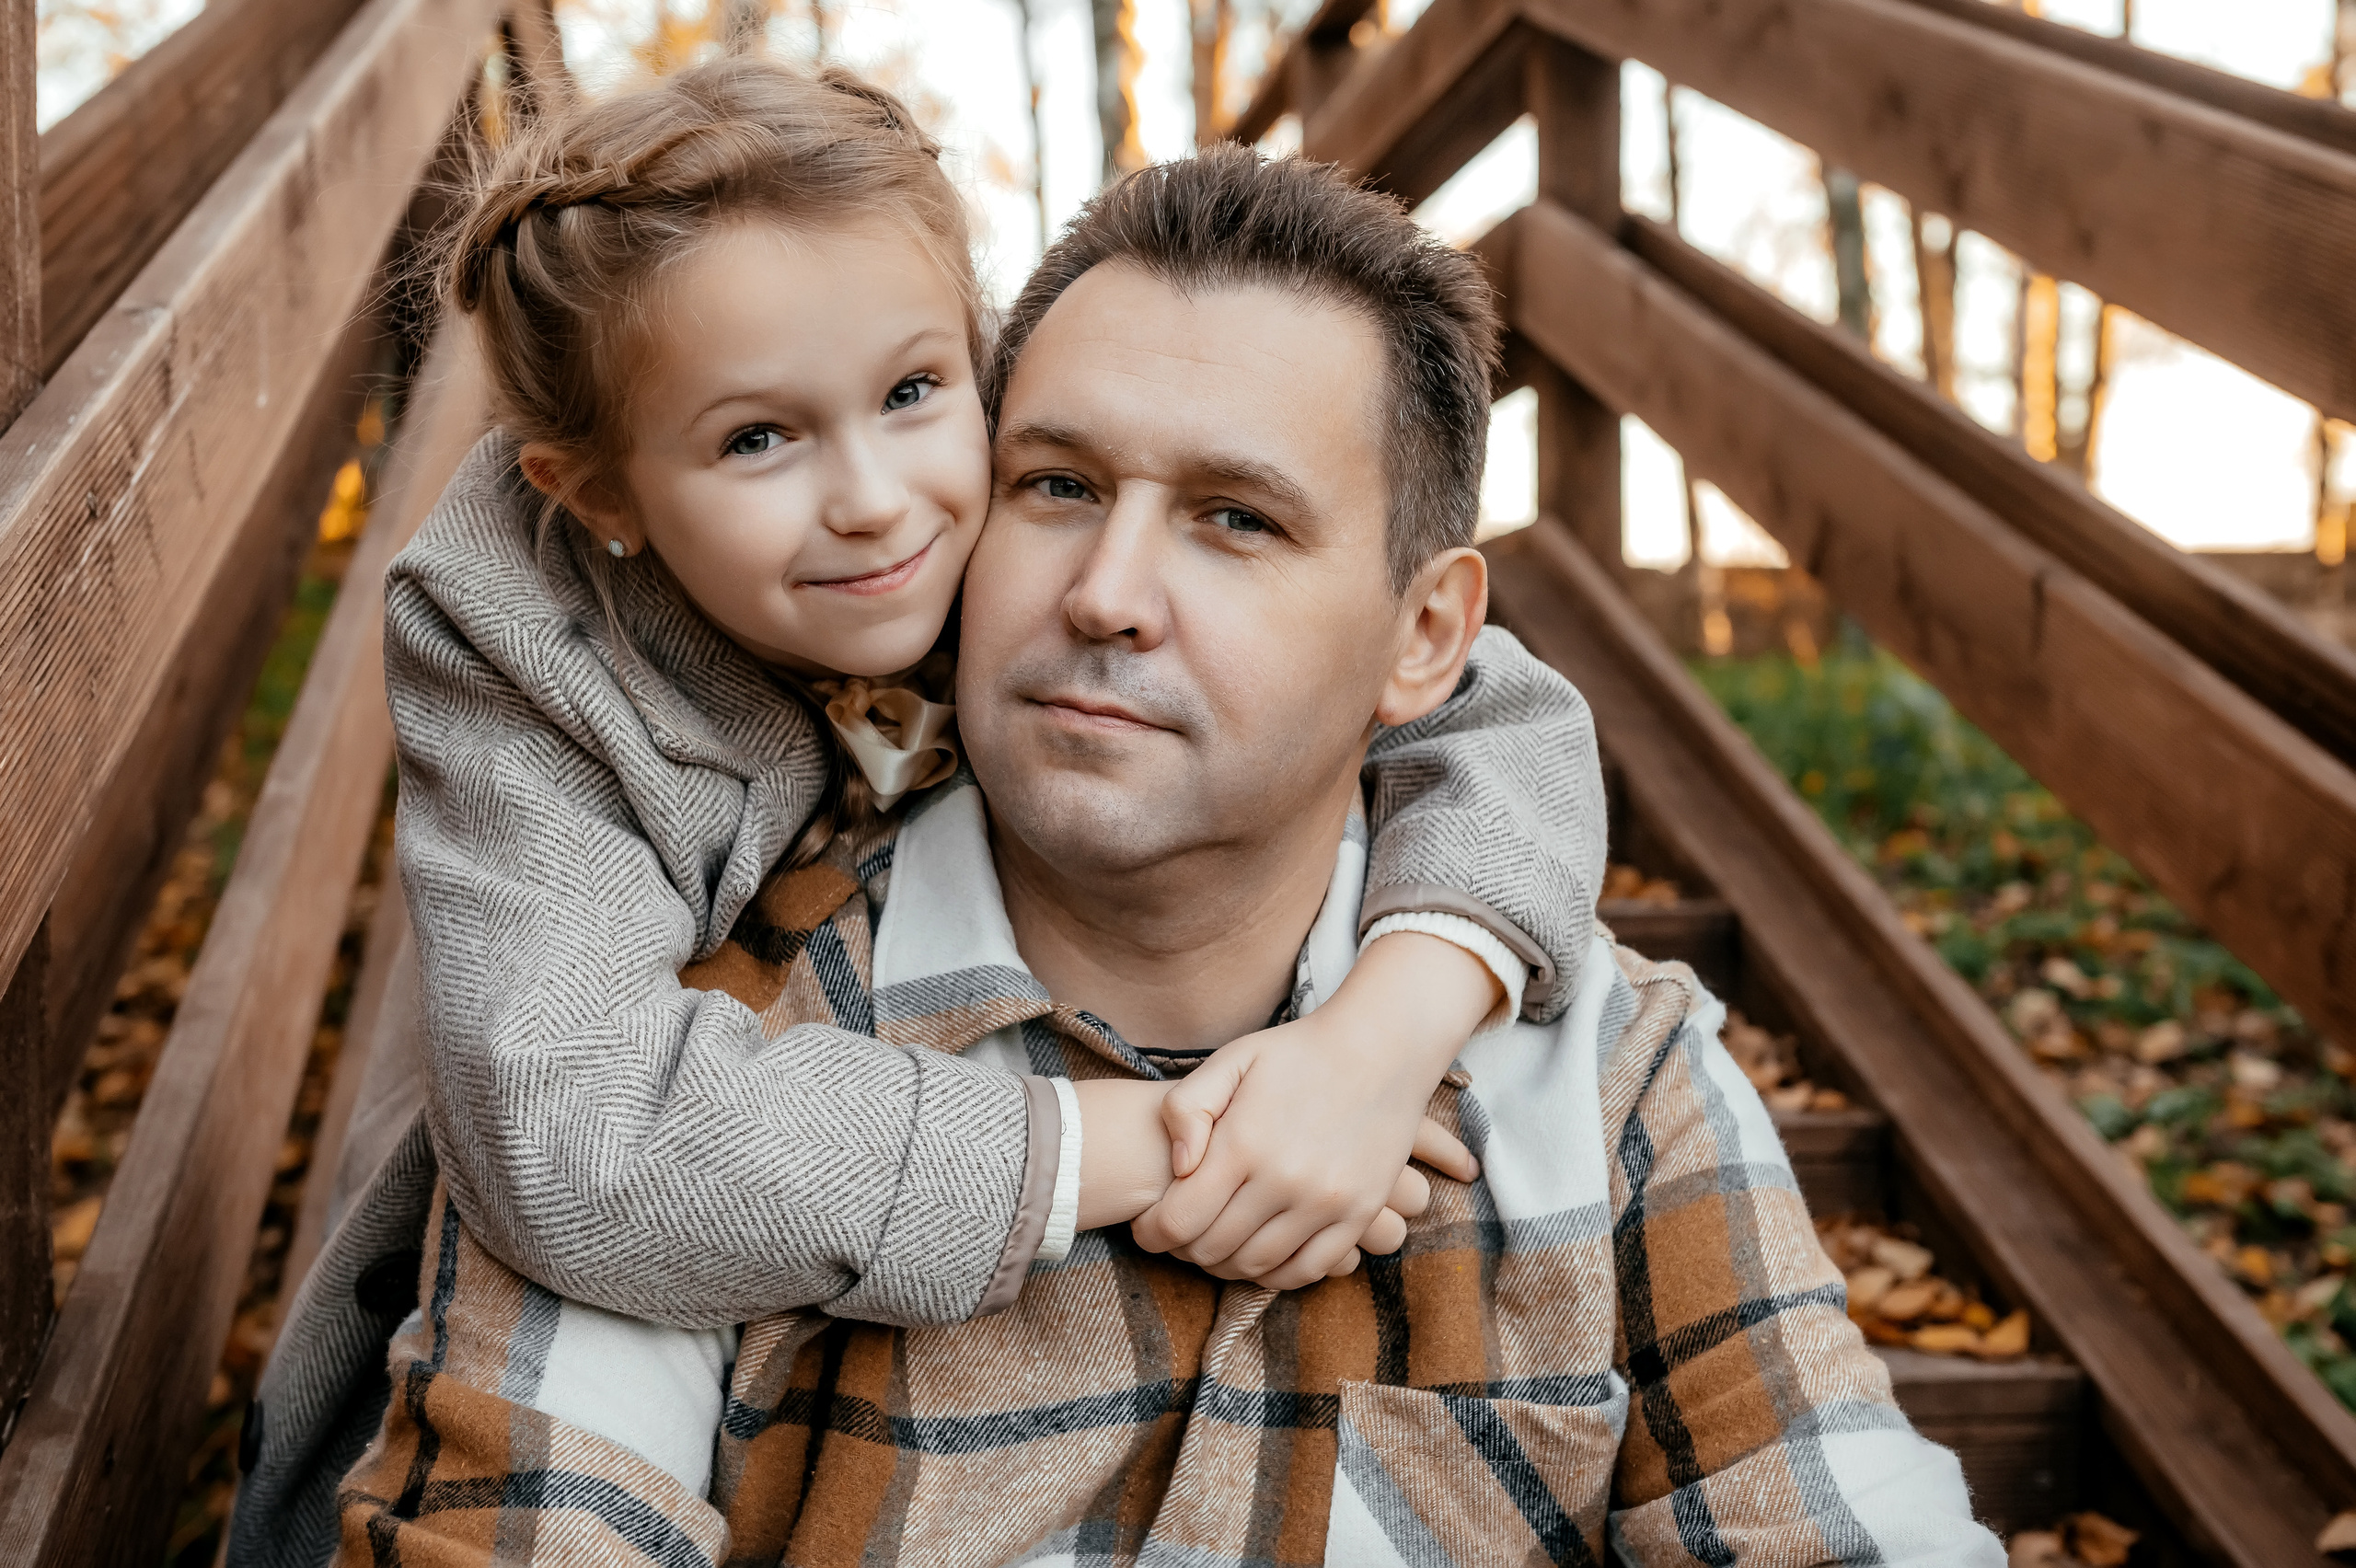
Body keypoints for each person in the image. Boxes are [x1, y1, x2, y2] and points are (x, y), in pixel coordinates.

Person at [306, 146, 2002, 1563]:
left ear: (1426, 639)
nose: (1106, 592)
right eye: (1054, 485)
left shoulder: (1607, 1083)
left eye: (1236, 518)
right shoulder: (690, 1077)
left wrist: (1399, 1018)